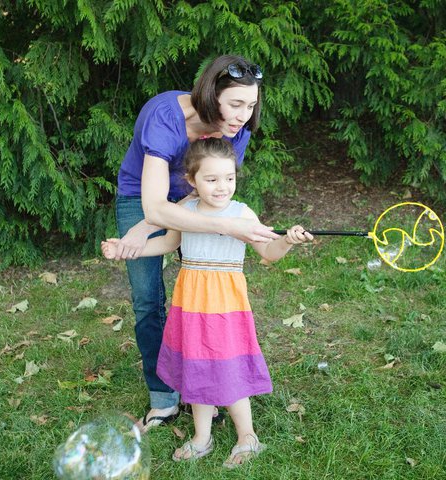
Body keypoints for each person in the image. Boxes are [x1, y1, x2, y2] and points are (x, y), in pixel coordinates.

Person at [103, 137, 313, 466]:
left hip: (226, 305)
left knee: (229, 365)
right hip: (191, 303)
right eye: (211, 179)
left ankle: (248, 436)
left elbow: (269, 254)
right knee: (195, 365)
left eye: (228, 178)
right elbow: (168, 244)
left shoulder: (242, 213)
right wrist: (128, 249)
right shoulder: (185, 211)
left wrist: (287, 240)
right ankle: (202, 437)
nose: (221, 187)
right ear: (192, 180)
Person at [113, 54, 280, 431]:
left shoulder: (238, 129)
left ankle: (202, 388)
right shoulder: (164, 117)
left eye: (251, 105)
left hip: (187, 201)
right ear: (210, 94)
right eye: (235, 104)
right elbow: (154, 205)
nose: (243, 116)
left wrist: (227, 225)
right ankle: (163, 396)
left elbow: (211, 189)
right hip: (139, 197)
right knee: (147, 299)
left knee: (201, 302)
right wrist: (146, 223)